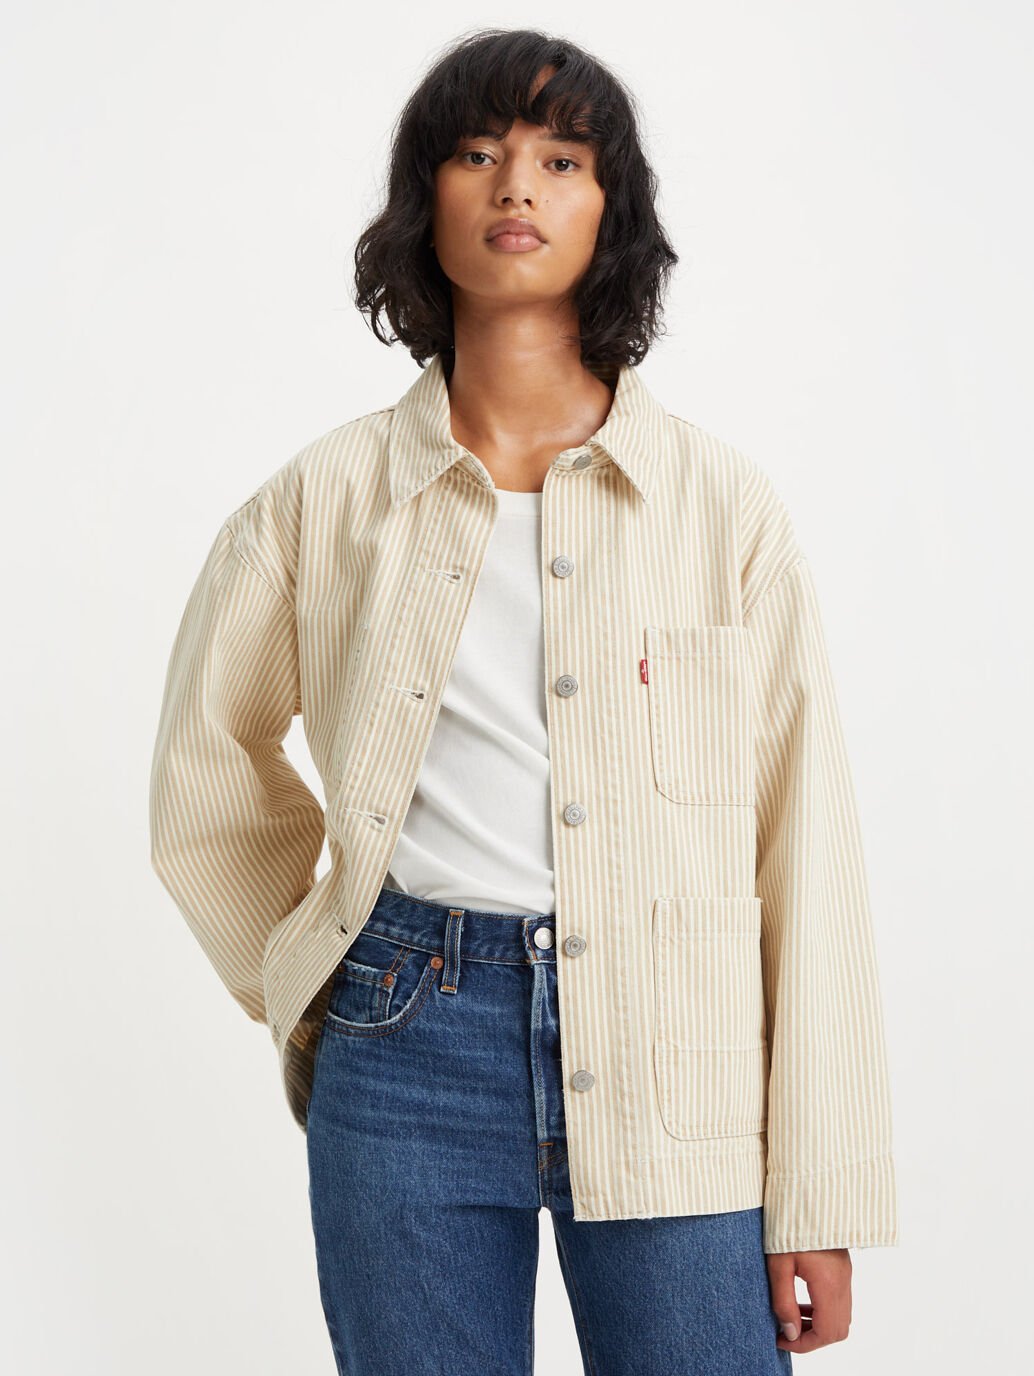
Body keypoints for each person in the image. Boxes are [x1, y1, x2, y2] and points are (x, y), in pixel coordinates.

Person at [149, 27, 898, 1376]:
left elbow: (806, 844)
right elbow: (205, 764)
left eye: (561, 160)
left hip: (680, 1060)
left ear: (612, 210)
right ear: (423, 199)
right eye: (478, 152)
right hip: (404, 1042)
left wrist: (820, 1191)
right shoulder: (321, 501)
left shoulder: (720, 509)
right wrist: (310, 966)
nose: (516, 185)